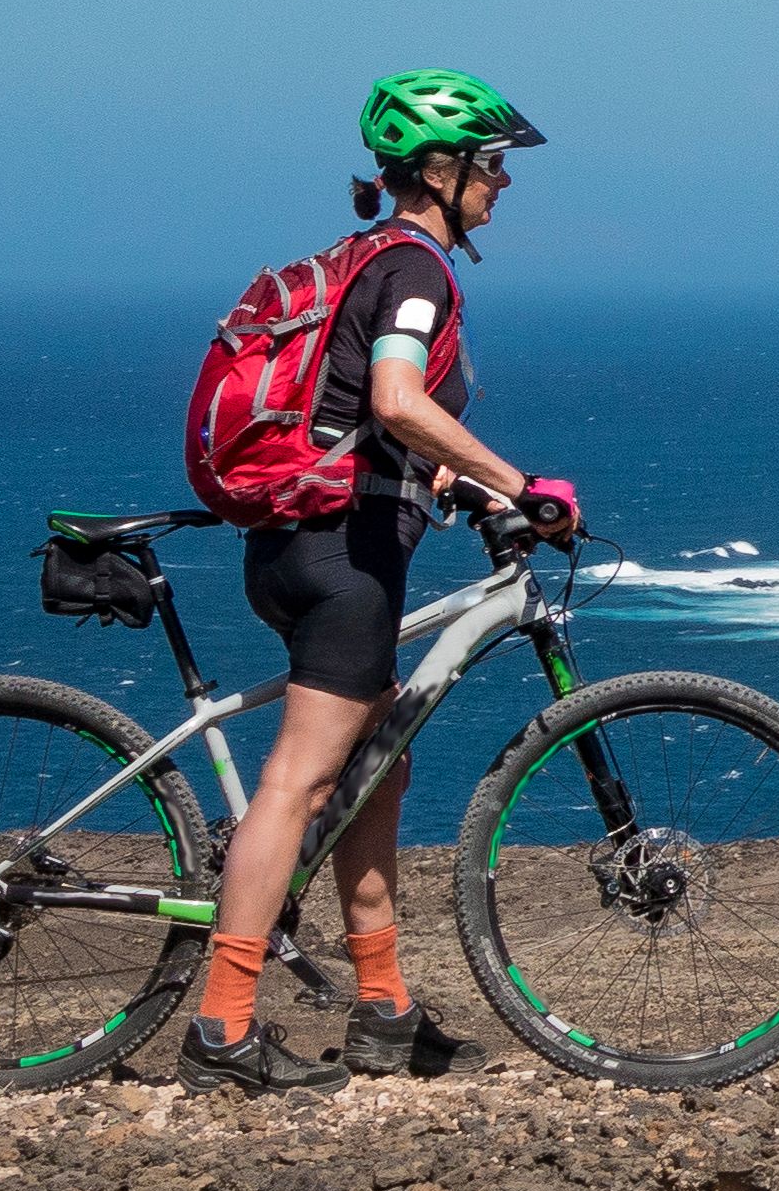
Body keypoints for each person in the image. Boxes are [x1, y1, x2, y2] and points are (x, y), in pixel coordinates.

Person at [181, 70, 580, 1094]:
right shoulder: (414, 269)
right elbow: (399, 400)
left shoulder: (364, 258)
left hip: (304, 544)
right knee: (299, 782)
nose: (500, 183)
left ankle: (384, 1008)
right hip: (340, 557)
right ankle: (221, 1028)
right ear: (438, 171)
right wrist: (518, 481)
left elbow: (365, 414)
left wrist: (458, 484)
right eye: (489, 164)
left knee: (377, 762)